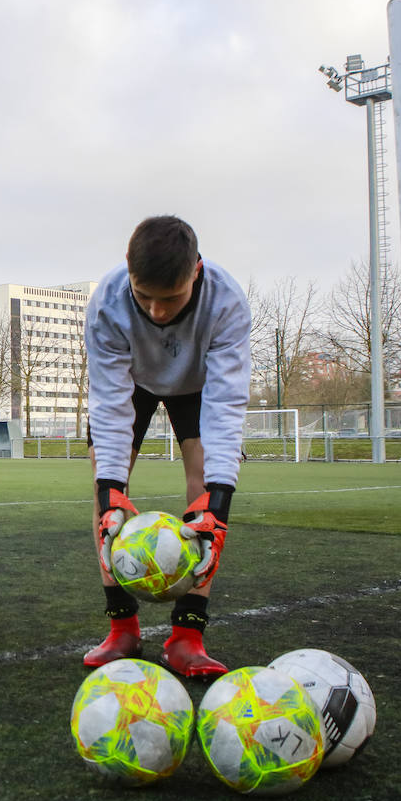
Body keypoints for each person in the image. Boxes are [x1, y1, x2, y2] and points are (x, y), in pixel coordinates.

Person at [84, 215, 251, 679]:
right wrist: (110, 493)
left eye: (171, 298)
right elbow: (110, 406)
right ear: (127, 270)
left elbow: (226, 407)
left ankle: (187, 638)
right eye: (145, 297)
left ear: (195, 271)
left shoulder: (227, 302)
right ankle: (122, 629)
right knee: (105, 489)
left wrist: (218, 504)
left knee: (204, 488)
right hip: (130, 383)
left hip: (199, 386)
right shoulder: (106, 305)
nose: (157, 312)